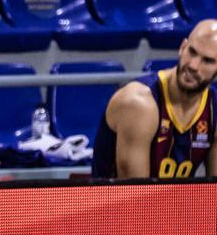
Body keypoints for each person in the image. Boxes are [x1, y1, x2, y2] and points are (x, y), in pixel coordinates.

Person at [92, 20, 217, 179]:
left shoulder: (214, 109)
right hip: (117, 203)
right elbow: (134, 196)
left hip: (177, 202)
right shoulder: (138, 103)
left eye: (207, 61)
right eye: (191, 52)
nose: (193, 65)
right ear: (182, 47)